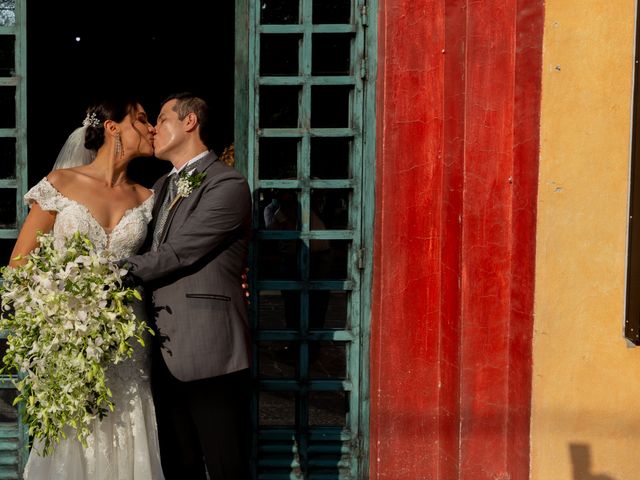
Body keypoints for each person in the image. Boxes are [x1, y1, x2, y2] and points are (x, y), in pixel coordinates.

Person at [8, 98, 164, 479]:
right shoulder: (61, 184)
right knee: (73, 434)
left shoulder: (148, 198)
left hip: (127, 339)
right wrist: (56, 314)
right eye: (142, 119)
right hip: (69, 337)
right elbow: (20, 264)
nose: (152, 128)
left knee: (127, 422)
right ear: (113, 128)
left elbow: (166, 261)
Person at [120, 93, 252, 480]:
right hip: (157, 346)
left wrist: (109, 272)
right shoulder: (160, 185)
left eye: (160, 119)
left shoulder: (227, 184)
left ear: (190, 121)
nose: (153, 129)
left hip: (210, 346)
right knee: (179, 464)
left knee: (226, 463)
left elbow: (180, 252)